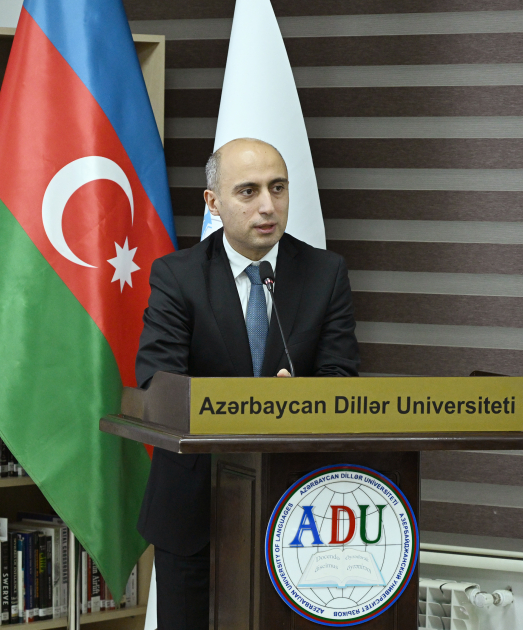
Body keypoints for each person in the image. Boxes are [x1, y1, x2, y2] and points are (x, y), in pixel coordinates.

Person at [134, 137, 360, 629]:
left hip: (297, 513)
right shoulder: (177, 275)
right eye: (248, 191)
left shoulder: (324, 273)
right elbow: (157, 379)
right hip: (194, 509)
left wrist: (301, 399)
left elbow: (341, 377)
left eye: (278, 188)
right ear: (213, 202)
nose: (268, 206)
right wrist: (254, 404)